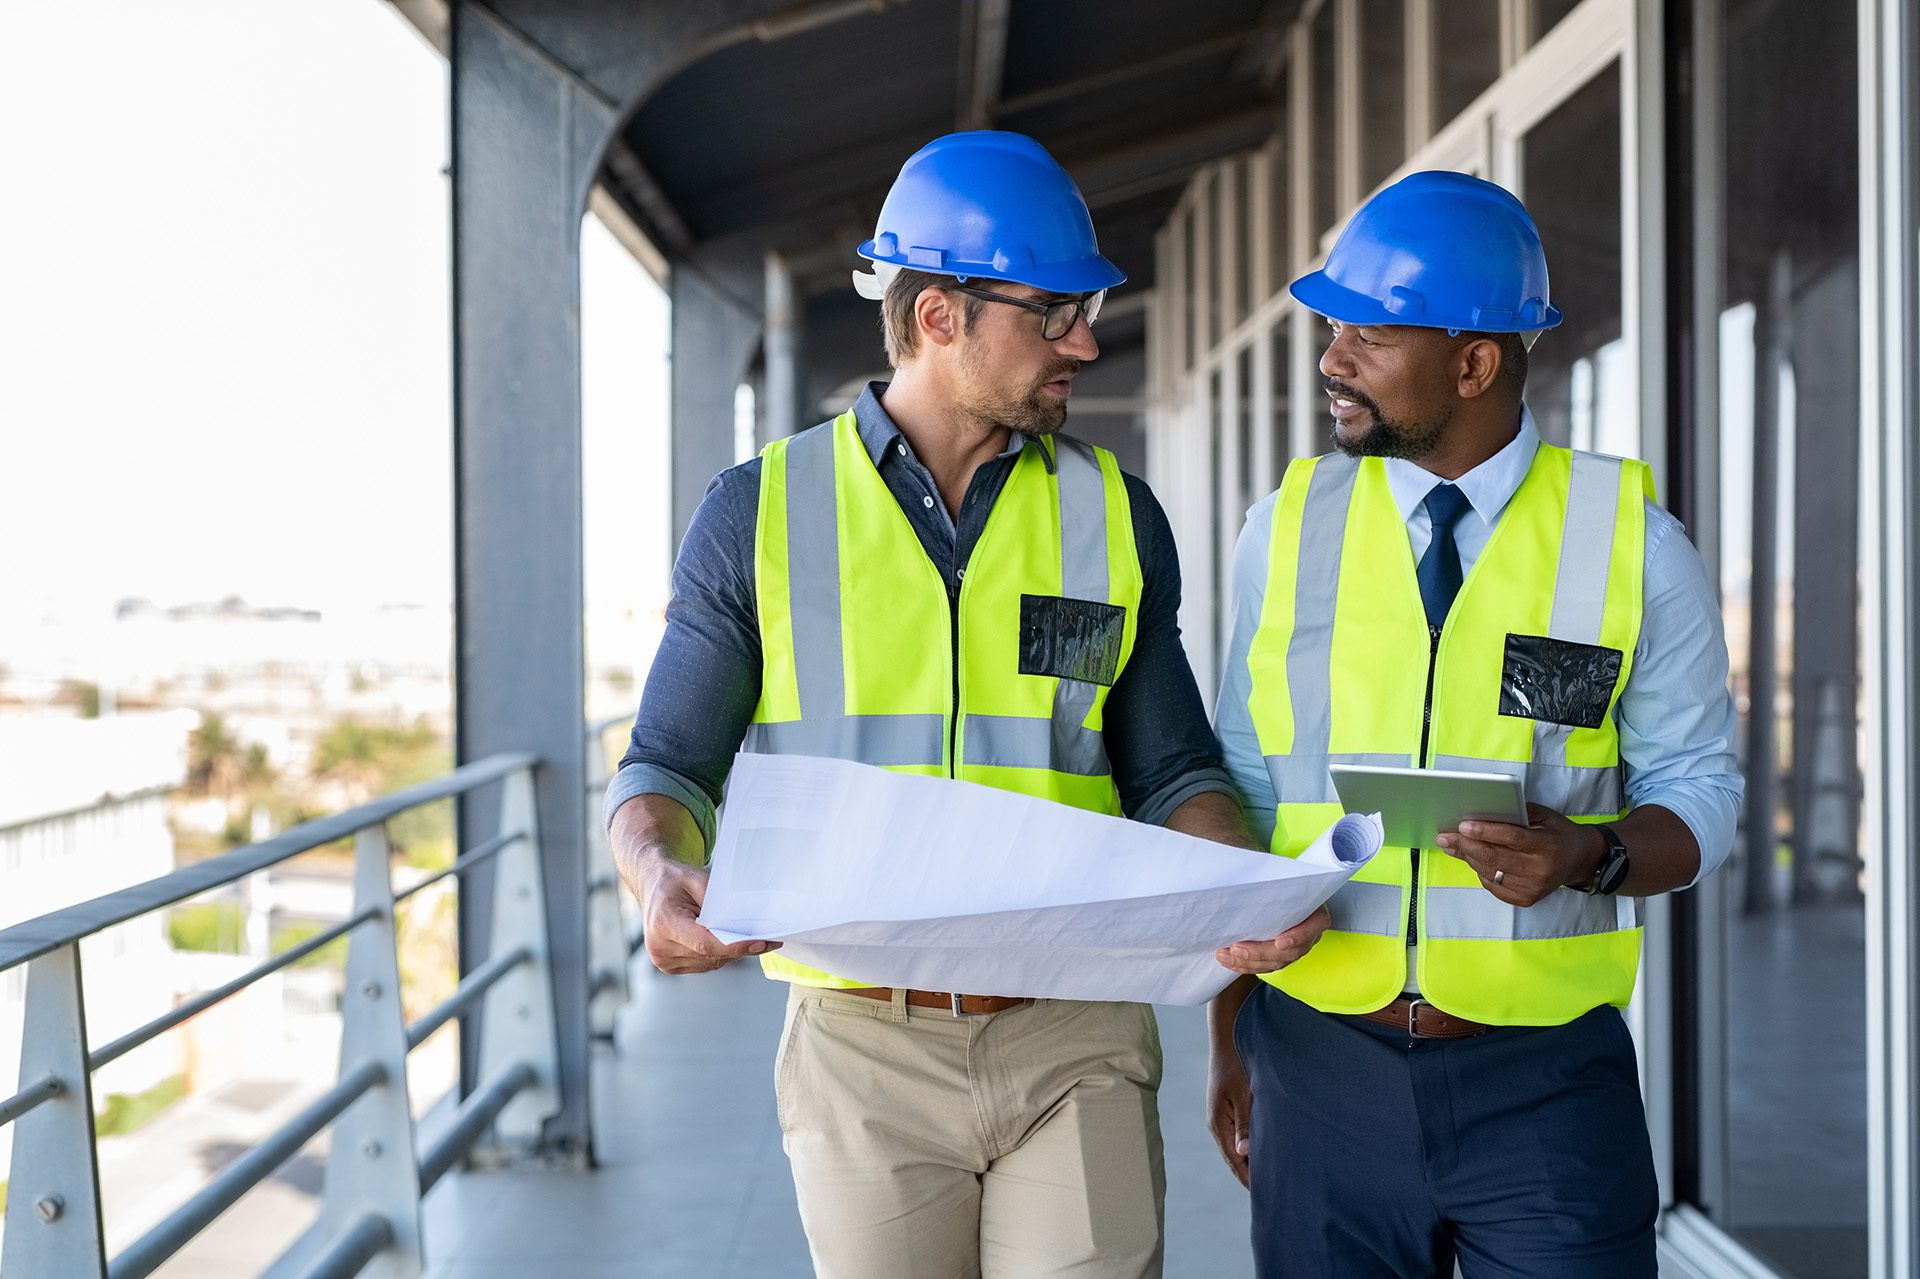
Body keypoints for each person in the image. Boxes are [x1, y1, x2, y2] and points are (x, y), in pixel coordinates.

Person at [606, 130, 1327, 1279]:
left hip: (1076, 1030)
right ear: (938, 316)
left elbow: (1173, 766)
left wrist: (1244, 888)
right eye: (1053, 314)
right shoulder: (761, 514)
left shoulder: (1117, 516)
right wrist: (658, 874)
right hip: (861, 1049)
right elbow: (667, 765)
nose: (1086, 342)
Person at [1207, 170, 1742, 1277]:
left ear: (1476, 361)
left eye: (1369, 332)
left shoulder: (1634, 543)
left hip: (1544, 1087)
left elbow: (1700, 786)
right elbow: (1246, 784)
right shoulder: (1285, 529)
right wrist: (1232, 1040)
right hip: (1317, 1063)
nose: (1331, 359)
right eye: (1331, 326)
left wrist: (1589, 855)